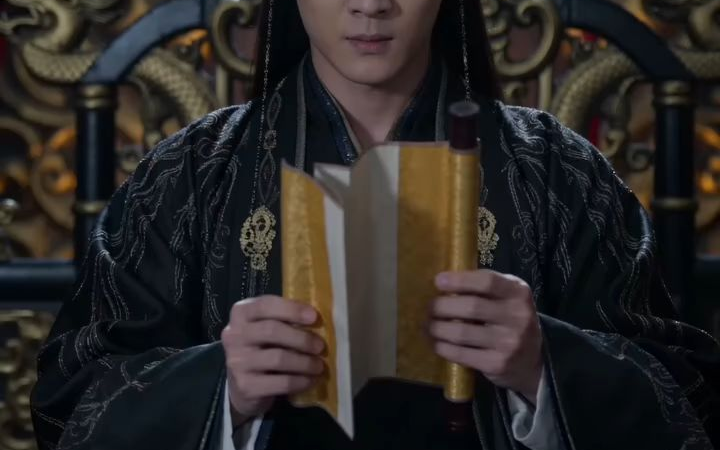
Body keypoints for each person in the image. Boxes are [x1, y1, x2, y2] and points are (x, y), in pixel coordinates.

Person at [30, 0, 720, 449]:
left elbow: (689, 405)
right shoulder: (188, 175)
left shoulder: (558, 172)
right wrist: (220, 387)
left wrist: (545, 365)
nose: (370, 4)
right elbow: (68, 407)